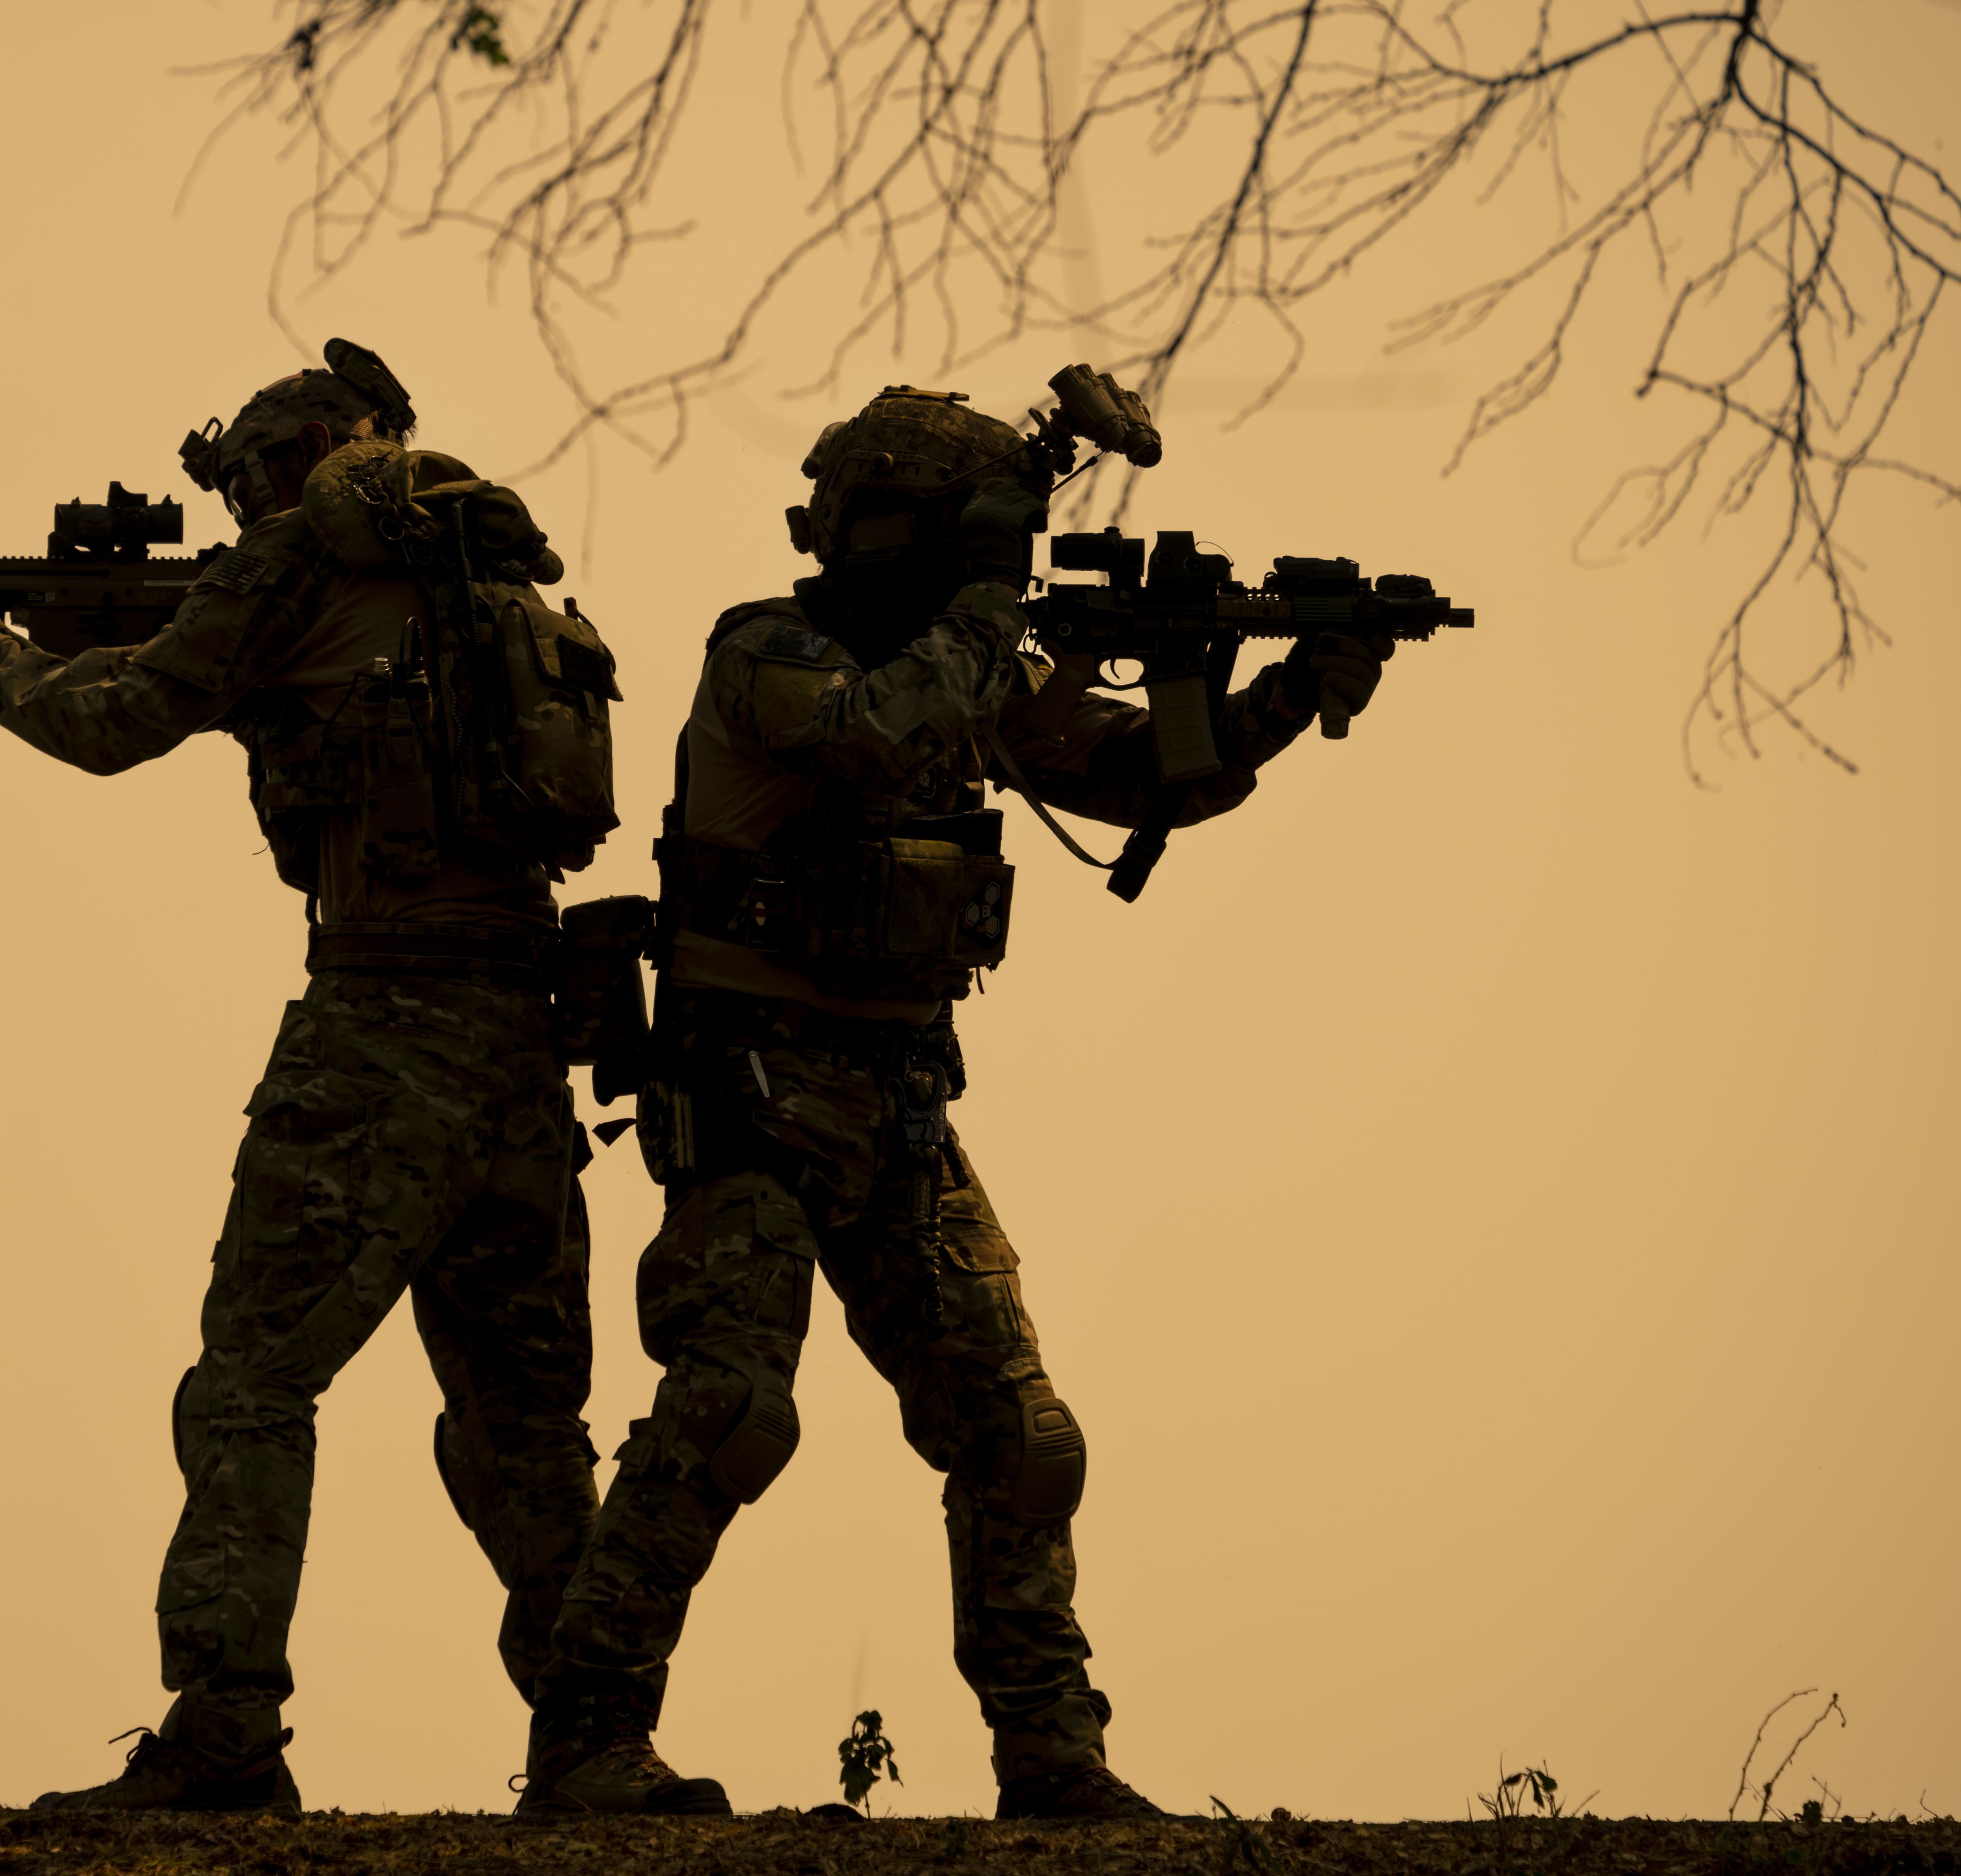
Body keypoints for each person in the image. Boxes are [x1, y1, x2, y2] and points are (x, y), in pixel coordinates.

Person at [514, 384, 1392, 1821]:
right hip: (751, 1092)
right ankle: (588, 1739)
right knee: (732, 1408)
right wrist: (991, 601)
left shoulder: (976, 665)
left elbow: (1151, 782)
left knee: (1021, 1435)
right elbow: (872, 738)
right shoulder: (771, 651)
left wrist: (1289, 693)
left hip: (903, 1105)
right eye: (967, 531)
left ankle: (1052, 1753)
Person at [0, 342, 632, 1815]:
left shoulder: (292, 564)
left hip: (378, 1035)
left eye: (245, 487)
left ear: (293, 461)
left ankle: (226, 1733)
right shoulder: (500, 584)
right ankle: (597, 1744)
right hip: (521, 1037)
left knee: (253, 1385)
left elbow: (107, 725)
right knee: (524, 1426)